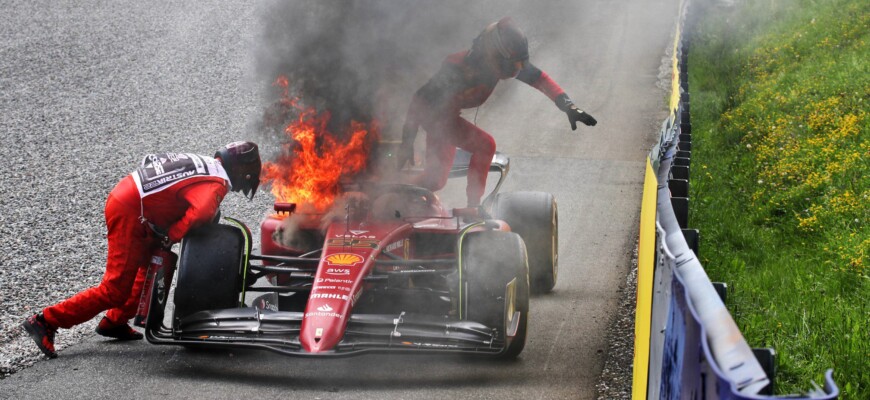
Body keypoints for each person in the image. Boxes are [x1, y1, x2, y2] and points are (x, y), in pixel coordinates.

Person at [22, 141, 262, 358]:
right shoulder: (216, 183)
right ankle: (46, 321)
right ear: (240, 169)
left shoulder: (207, 164)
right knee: (114, 290)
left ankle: (115, 321)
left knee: (153, 263)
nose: (245, 181)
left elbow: (152, 162)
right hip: (130, 211)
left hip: (132, 201)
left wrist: (162, 232)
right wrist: (171, 235)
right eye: (247, 174)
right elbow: (200, 213)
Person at [397, 17, 598, 208]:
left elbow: (541, 80)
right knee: (485, 145)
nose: (517, 70)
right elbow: (419, 100)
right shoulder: (458, 67)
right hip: (434, 117)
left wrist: (568, 106)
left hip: (448, 118)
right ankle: (473, 207)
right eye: (513, 65)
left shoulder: (507, 62)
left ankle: (393, 189)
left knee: (436, 180)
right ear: (492, 54)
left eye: (520, 64)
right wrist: (407, 141)